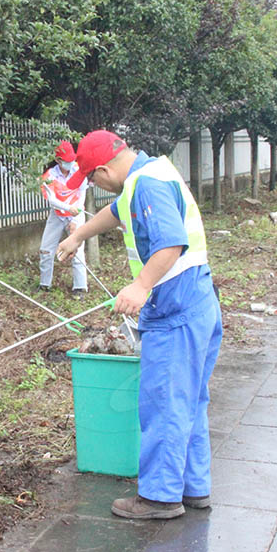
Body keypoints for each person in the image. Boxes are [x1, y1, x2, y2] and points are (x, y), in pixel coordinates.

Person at [57, 130, 221, 520]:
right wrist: (78, 234)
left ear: (103, 169)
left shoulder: (146, 185)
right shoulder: (150, 172)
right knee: (190, 401)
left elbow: (170, 243)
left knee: (163, 404)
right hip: (198, 302)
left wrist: (140, 285)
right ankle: (192, 486)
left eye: (92, 178)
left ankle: (160, 497)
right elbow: (116, 212)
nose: (94, 186)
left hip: (175, 309)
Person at [39, 140, 88, 296]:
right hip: (57, 215)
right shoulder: (49, 176)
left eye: (72, 160)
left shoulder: (78, 170)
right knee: (46, 249)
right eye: (66, 161)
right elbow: (52, 200)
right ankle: (44, 285)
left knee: (77, 249)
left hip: (76, 214)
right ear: (58, 160)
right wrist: (68, 209)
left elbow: (82, 194)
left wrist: (75, 217)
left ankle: (80, 287)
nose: (70, 163)